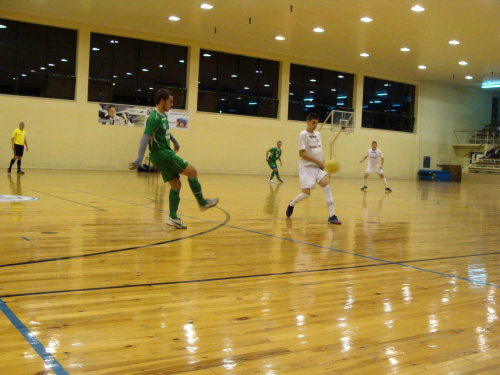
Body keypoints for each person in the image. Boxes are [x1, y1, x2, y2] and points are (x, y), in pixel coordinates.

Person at [129, 88, 218, 229]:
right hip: (163, 155)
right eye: (170, 101)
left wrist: (174, 141)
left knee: (176, 184)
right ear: (162, 101)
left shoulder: (162, 115)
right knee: (192, 172)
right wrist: (139, 159)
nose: (172, 104)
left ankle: (173, 218)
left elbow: (164, 132)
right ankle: (202, 202)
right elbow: (144, 139)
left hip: (162, 155)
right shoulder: (154, 117)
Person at [286, 113, 341, 225]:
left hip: (318, 167)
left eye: (317, 123)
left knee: (327, 186)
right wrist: (316, 161)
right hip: (306, 168)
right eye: (313, 123)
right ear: (307, 122)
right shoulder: (303, 135)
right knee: (306, 193)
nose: (315, 125)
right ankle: (292, 203)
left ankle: (332, 215)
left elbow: (319, 150)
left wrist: (323, 162)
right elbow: (301, 153)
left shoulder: (318, 134)